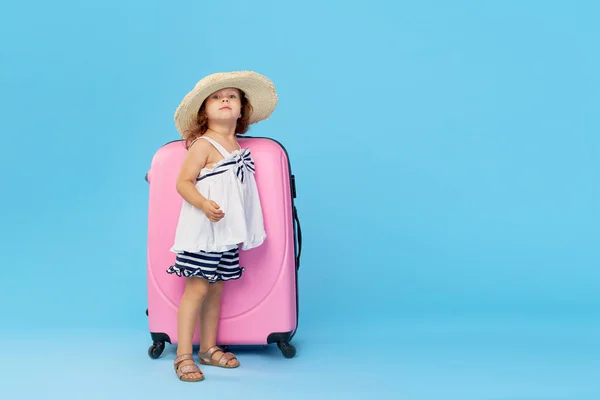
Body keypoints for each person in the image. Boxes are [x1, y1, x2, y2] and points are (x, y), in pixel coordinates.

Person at [166, 71, 278, 382]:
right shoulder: (204, 144)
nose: (225, 99)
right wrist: (203, 204)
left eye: (232, 96)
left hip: (226, 234)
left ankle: (208, 347)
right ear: (204, 111)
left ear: (242, 110)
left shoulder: (238, 146)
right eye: (216, 97)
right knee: (197, 288)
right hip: (203, 234)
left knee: (216, 289)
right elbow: (183, 182)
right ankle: (183, 355)